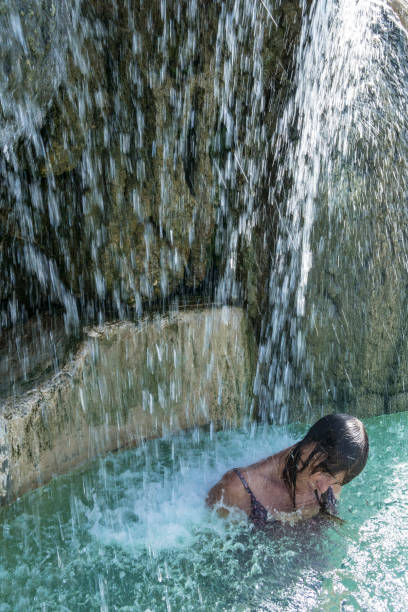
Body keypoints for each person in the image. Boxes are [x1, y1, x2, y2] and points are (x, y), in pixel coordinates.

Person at [206, 413, 369, 527]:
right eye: (325, 473)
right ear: (311, 445)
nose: (324, 488)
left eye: (335, 481)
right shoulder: (237, 489)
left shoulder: (336, 471)